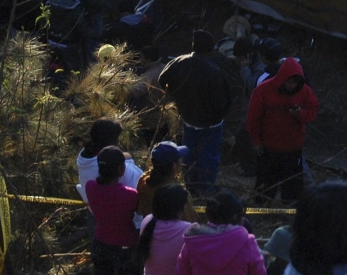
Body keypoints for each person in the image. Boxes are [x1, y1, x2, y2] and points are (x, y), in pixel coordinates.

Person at [158, 30, 229, 191]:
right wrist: (219, 115)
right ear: (211, 49)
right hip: (212, 123)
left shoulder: (178, 62)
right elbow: (223, 100)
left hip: (188, 117)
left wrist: (176, 97)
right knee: (209, 157)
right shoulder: (214, 71)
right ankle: (206, 188)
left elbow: (163, 79)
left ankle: (190, 186)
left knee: (188, 154)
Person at [84, 146, 143, 275]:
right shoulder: (130, 195)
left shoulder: (90, 187)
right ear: (121, 170)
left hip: (101, 241)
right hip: (125, 244)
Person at [246, 57, 319, 203]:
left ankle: (289, 212)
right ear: (282, 78)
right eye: (290, 82)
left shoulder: (304, 91)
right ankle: (261, 210)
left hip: (293, 149)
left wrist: (300, 114)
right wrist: (256, 141)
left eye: (295, 83)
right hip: (269, 148)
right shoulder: (263, 91)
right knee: (265, 186)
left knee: (292, 188)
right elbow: (253, 119)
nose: (292, 86)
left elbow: (313, 110)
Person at [135, 142, 198, 223]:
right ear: (174, 165)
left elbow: (141, 210)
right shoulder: (178, 193)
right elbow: (190, 222)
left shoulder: (143, 182)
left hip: (150, 231)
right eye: (179, 159)